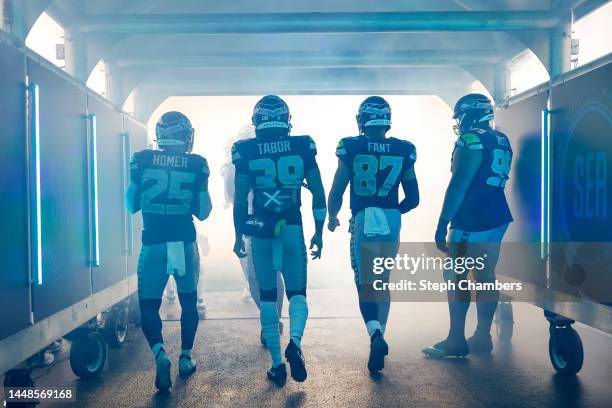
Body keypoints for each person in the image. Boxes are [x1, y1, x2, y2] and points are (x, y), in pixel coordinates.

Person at [232, 95, 326, 386]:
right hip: (292, 227)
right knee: (297, 294)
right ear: (286, 120)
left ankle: (276, 364)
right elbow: (319, 194)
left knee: (269, 298)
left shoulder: (245, 150)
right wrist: (319, 231)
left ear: (257, 120)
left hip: (261, 230)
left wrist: (238, 235)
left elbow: (239, 200)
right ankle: (295, 342)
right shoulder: (302, 145)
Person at [327, 96, 419, 374]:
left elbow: (338, 189)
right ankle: (381, 333)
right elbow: (413, 198)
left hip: (365, 216)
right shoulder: (404, 149)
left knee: (365, 283)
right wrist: (391, 212)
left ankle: (375, 335)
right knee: (382, 282)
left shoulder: (352, 146)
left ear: (362, 120)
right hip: (391, 217)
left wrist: (332, 217)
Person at [125, 111, 212, 391]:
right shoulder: (197, 164)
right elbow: (205, 211)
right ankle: (185, 358)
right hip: (183, 242)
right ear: (185, 135)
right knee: (189, 302)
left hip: (153, 242)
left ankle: (160, 354)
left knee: (149, 306)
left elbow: (130, 205)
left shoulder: (141, 159)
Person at [423, 93, 513, 358]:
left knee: (457, 277)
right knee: (486, 276)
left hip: (470, 219)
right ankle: (482, 335)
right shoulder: (501, 138)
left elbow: (459, 185)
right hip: (496, 214)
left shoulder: (470, 140)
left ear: (468, 114)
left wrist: (441, 223)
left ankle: (456, 339)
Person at [221, 125, 285, 342]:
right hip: (280, 218)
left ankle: (271, 322)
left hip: (253, 222)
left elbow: (232, 196)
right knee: (275, 273)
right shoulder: (279, 152)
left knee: (255, 277)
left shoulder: (241, 159)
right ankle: (275, 319)